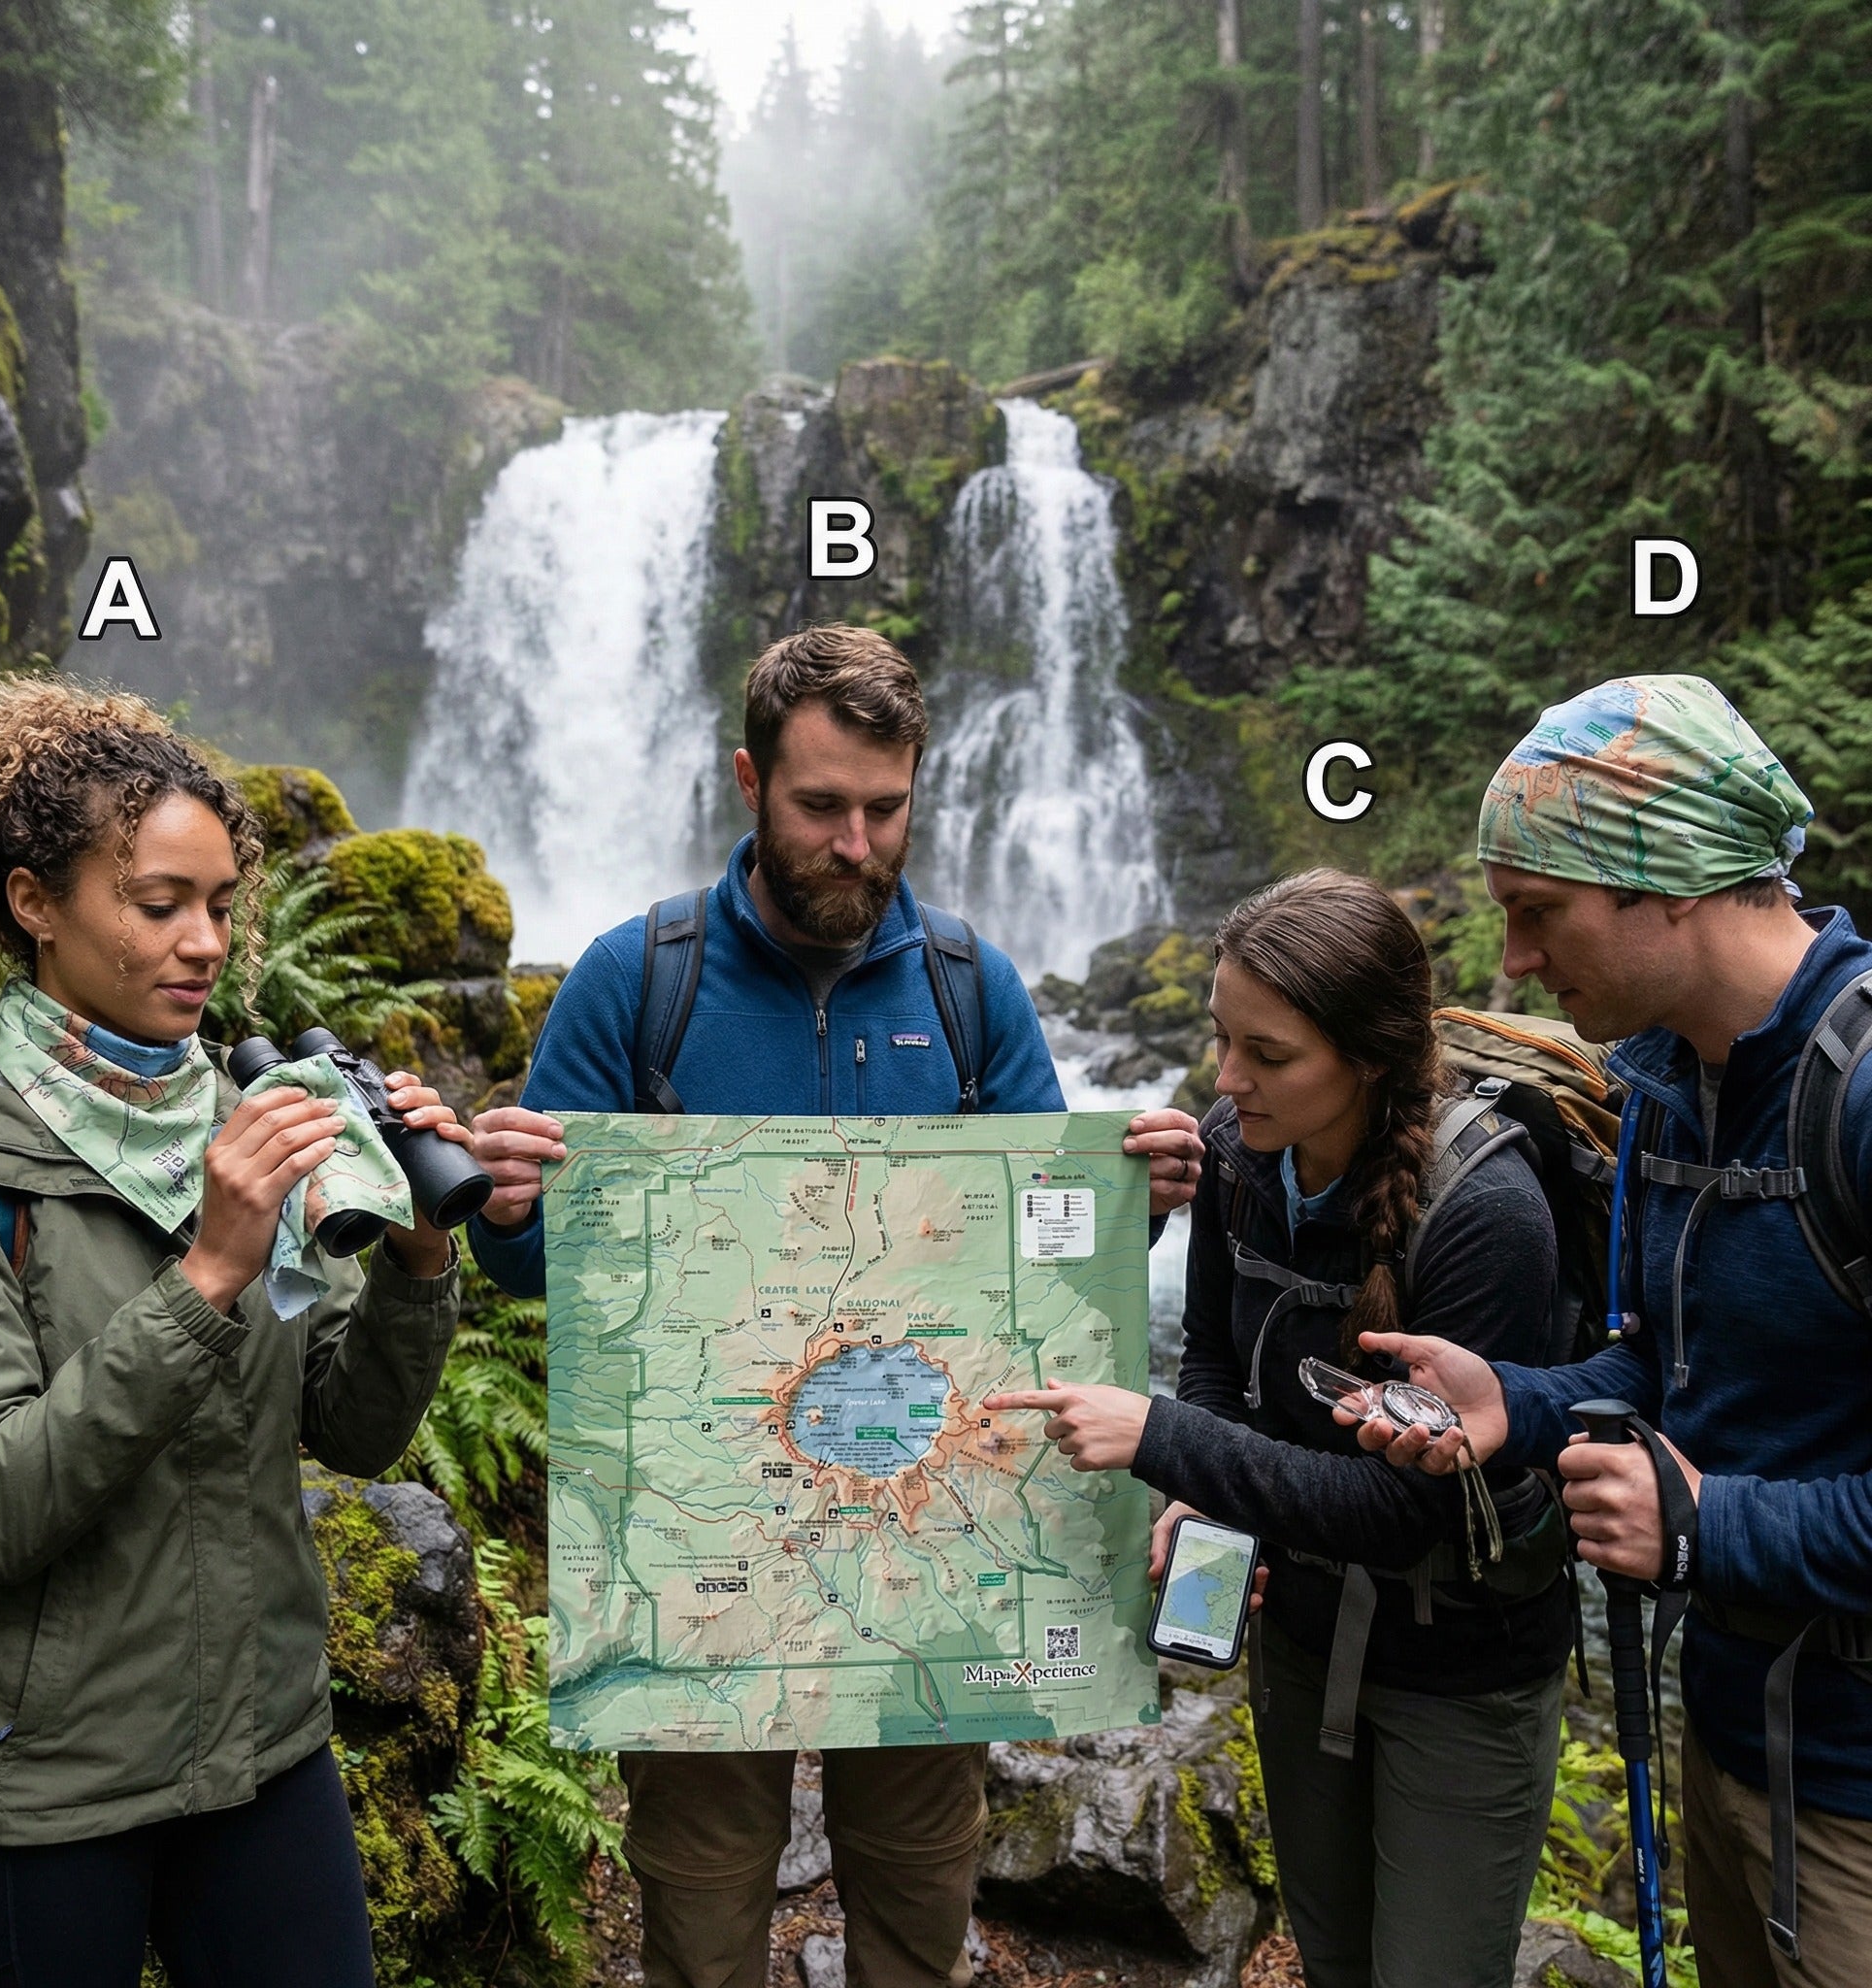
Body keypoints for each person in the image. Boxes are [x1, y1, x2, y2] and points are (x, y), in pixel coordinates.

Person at [469, 622, 1204, 1988]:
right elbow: (525, 1269)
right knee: (700, 1907)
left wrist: (1130, 1209)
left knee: (919, 1895)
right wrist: (508, 1208)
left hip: (928, 1525)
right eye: (820, 806)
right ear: (749, 781)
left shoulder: (971, 990)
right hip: (697, 1531)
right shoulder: (636, 980)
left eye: (885, 808)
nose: (855, 844)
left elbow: (1043, 1262)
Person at [0, 680, 468, 1988]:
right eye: (158, 905)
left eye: (220, 904)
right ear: (33, 902)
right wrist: (208, 1271)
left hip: (259, 1749)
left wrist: (419, 1257)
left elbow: (353, 1429)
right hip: (28, 1785)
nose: (204, 942)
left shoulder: (234, 1110)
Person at [1354, 675, 1872, 1988]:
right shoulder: (1662, 1081)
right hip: (1733, 1741)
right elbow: (1661, 1363)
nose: (1512, 962)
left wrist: (1708, 1524)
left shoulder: (1859, 1096)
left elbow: (1702, 1495)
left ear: (1670, 881)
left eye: (1538, 911)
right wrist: (1514, 1402)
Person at [988, 868, 1574, 1988]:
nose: (1225, 1077)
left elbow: (1402, 1509)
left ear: (1367, 1058)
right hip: (1300, 1635)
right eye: (1221, 1038)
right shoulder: (1238, 1148)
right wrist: (1203, 1495)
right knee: (1331, 1956)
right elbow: (1215, 1354)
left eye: (1266, 1053)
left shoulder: (1486, 1213)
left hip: (1460, 1663)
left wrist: (1165, 1443)